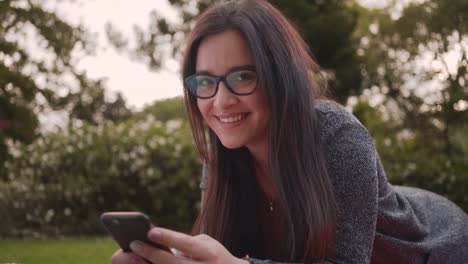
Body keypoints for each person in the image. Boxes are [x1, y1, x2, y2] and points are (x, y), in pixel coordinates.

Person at [111, 0, 468, 263]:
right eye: (205, 82)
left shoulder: (337, 135)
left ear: (280, 77)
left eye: (242, 77)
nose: (220, 101)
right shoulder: (222, 157)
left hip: (437, 249)